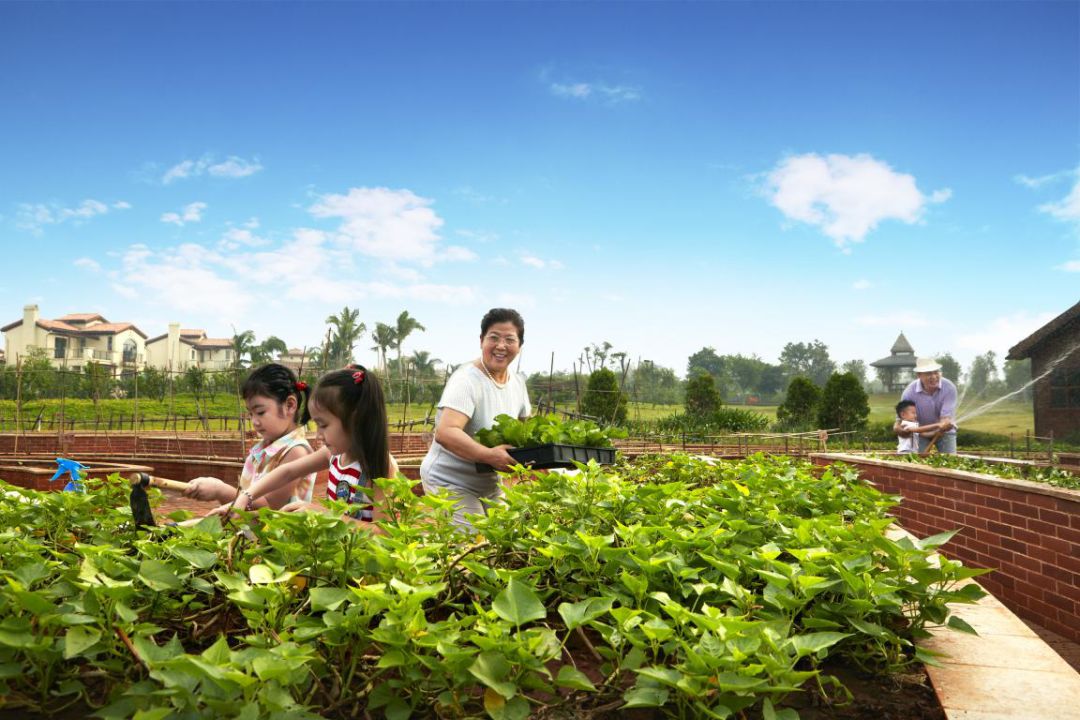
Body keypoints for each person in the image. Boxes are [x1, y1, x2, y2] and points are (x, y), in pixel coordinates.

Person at [211, 365, 398, 524]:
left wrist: (324, 515)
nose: (318, 435)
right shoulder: (333, 456)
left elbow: (383, 534)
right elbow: (288, 471)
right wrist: (245, 496)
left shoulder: (380, 467)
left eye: (323, 425)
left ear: (356, 419)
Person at [420, 308, 531, 526]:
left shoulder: (517, 384)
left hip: (489, 482)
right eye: (494, 337)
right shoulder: (467, 380)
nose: (501, 346)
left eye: (510, 339)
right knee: (473, 543)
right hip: (450, 479)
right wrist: (490, 455)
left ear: (519, 346)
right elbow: (446, 432)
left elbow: (525, 432)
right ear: (481, 341)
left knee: (504, 537)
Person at [184, 363, 316, 509]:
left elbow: (268, 508)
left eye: (260, 412)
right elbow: (244, 506)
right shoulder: (264, 448)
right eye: (250, 414)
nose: (254, 422)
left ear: (290, 405)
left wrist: (220, 490)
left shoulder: (296, 452)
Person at [895, 357, 957, 454]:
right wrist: (898, 430)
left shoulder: (949, 387)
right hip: (920, 433)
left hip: (945, 432)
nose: (933, 376)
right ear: (919, 375)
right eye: (928, 373)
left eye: (936, 372)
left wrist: (944, 425)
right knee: (919, 462)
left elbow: (945, 420)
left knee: (950, 460)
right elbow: (900, 421)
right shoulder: (909, 392)